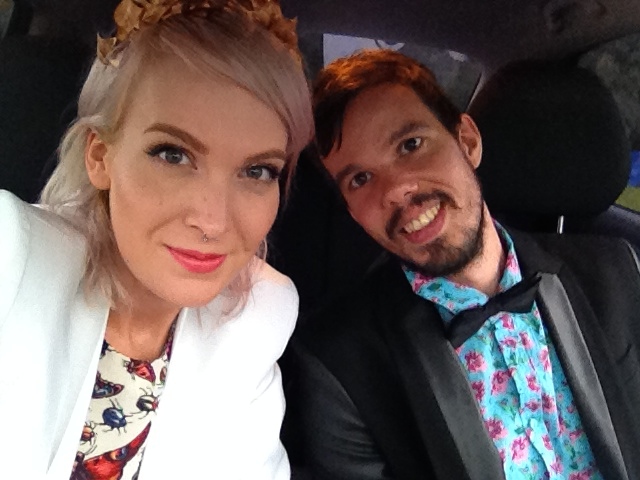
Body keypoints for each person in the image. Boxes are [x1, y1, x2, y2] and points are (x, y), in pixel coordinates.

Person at [291, 49, 640, 480]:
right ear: (351, 211)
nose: (396, 189)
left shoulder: (618, 271)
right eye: (360, 179)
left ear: (467, 142)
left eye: (410, 145)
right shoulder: (341, 363)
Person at [0, 0, 312, 478]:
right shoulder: (12, 254)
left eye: (257, 171)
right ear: (100, 157)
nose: (212, 222)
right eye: (172, 154)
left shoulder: (261, 317)